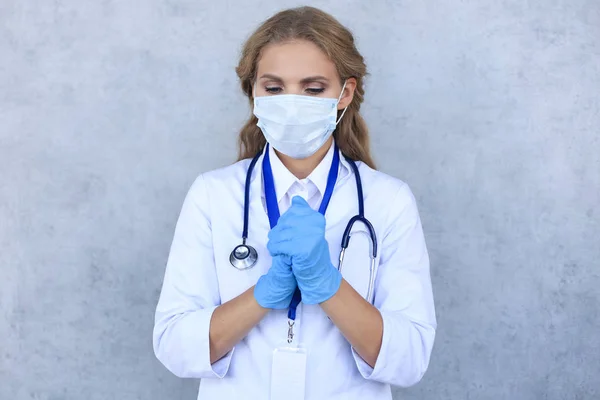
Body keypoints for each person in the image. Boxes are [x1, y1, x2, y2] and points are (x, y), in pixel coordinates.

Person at [153, 6, 436, 400]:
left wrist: (326, 283)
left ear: (345, 93)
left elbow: (410, 359)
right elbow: (174, 346)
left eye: (313, 88)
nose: (291, 102)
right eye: (273, 88)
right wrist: (264, 292)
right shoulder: (213, 196)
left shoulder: (387, 201)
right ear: (253, 91)